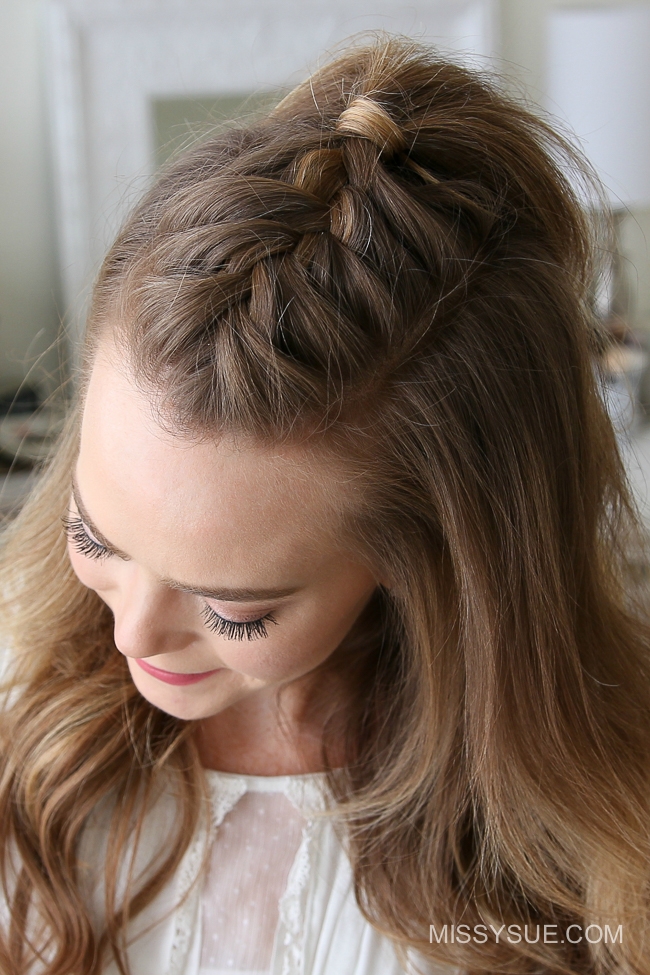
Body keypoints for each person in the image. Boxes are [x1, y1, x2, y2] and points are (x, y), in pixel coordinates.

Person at [0, 34, 649, 975]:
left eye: (235, 608)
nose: (133, 635)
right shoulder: (22, 720)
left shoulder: (591, 859)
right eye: (94, 535)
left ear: (434, 556)